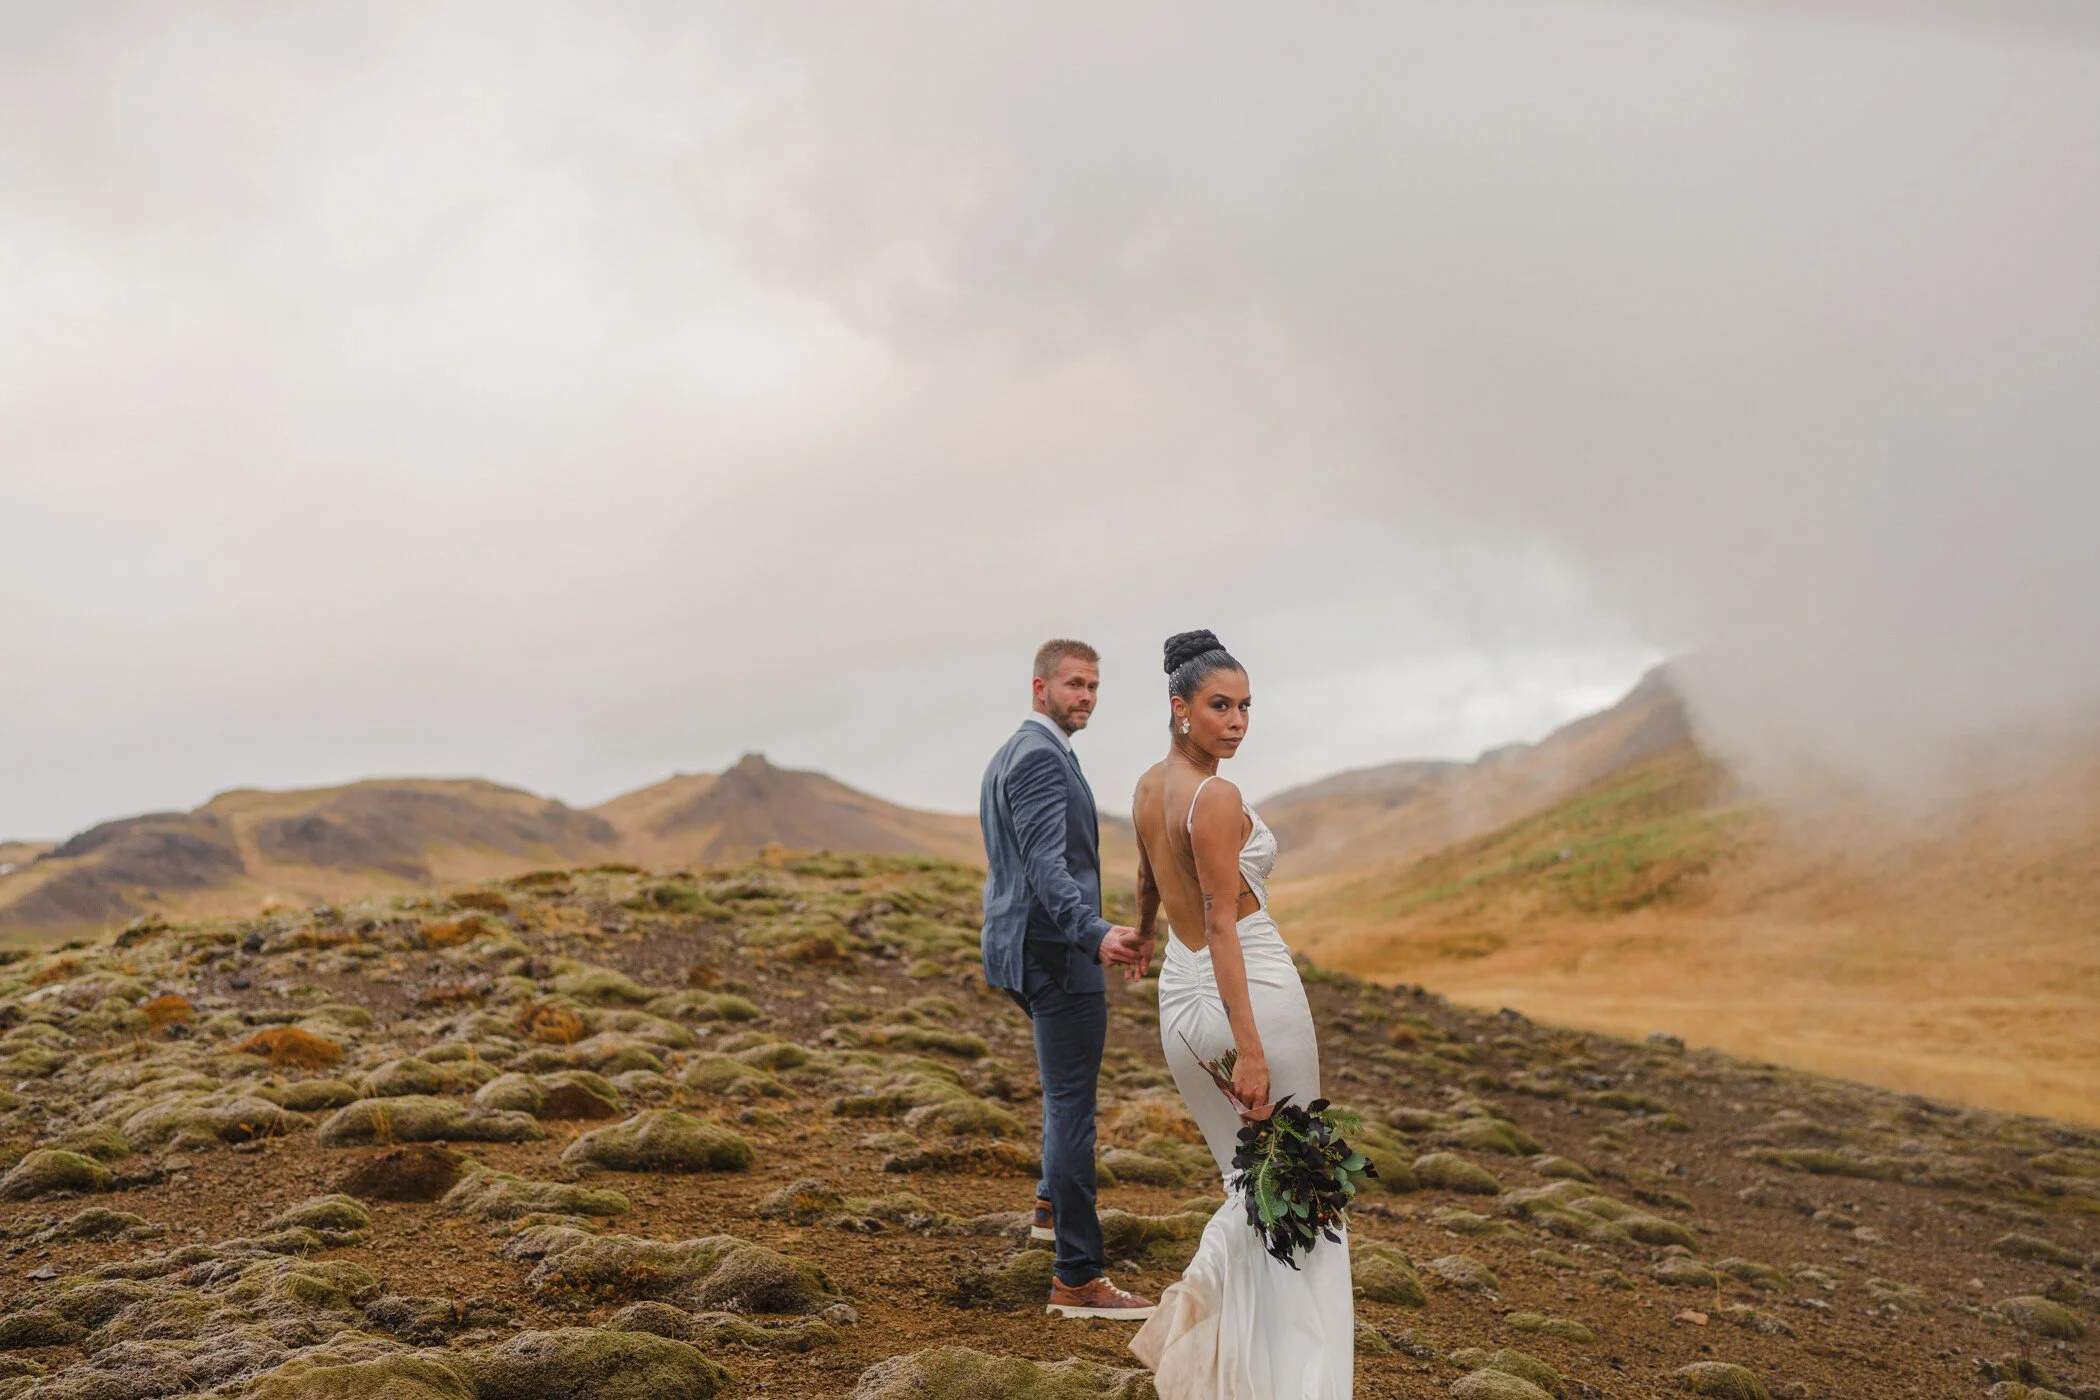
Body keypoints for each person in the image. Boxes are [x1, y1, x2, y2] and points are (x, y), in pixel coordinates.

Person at [1128, 630, 1353, 1399]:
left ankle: (1243, 1369)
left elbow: (1149, 877)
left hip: (1180, 1003)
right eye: (1220, 706)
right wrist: (1251, 1051)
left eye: (1246, 706)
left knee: (1247, 1183)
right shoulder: (1217, 796)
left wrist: (1138, 934)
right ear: (1180, 708)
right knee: (1302, 1190)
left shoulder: (1147, 787)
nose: (1237, 720)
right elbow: (1224, 923)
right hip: (1245, 991)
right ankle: (1294, 1379)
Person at [979, 638, 1157, 1320]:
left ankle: (1051, 1211)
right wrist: (1096, 933)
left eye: (1093, 687)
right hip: (1056, 953)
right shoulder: (1039, 758)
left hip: (1026, 950)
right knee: (1073, 1107)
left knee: (1062, 1095)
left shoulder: (1016, 752)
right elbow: (1047, 869)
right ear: (1040, 689)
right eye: (1074, 685)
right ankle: (1078, 1277)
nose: (1085, 697)